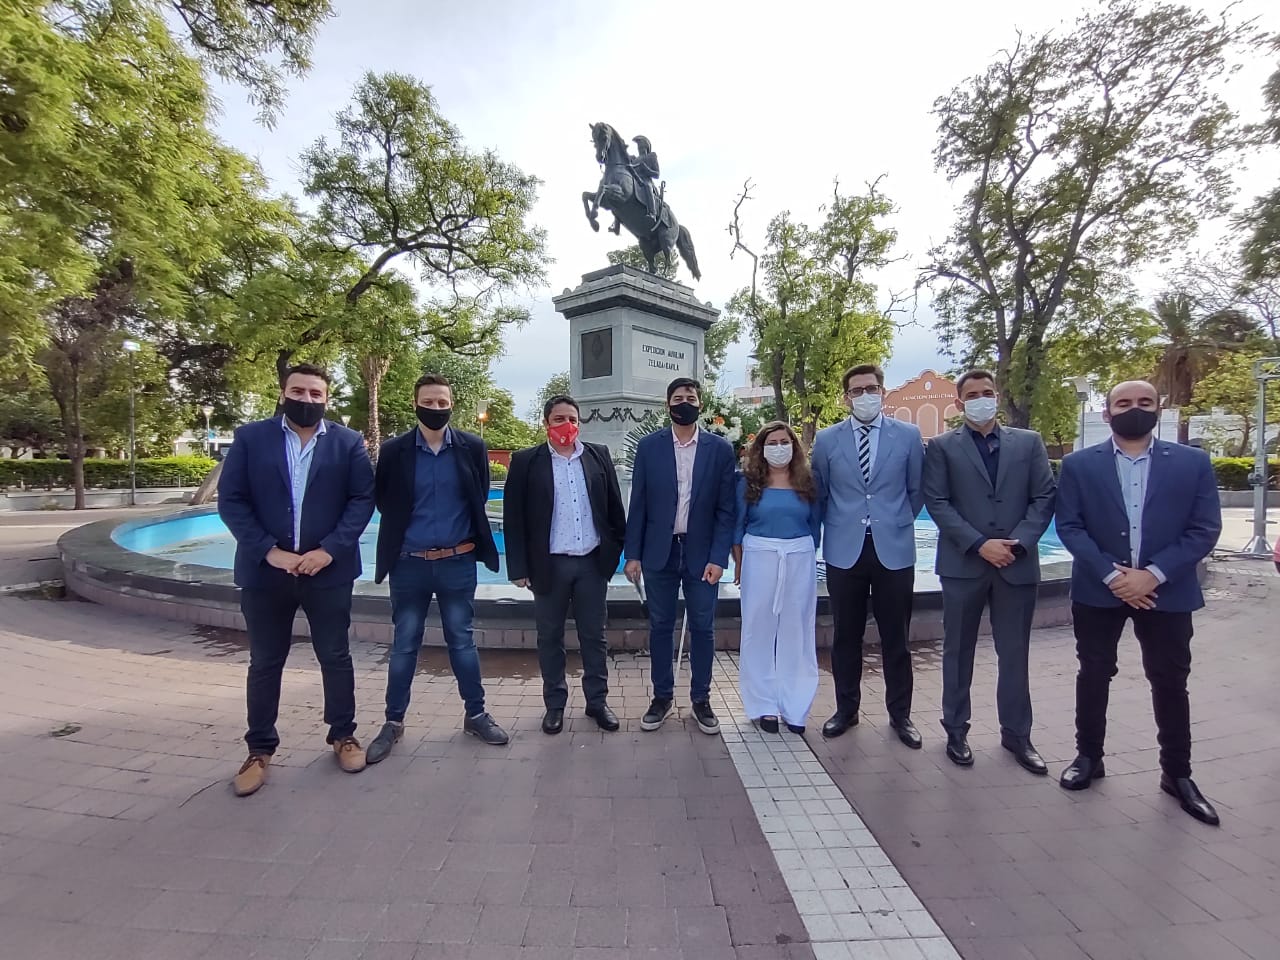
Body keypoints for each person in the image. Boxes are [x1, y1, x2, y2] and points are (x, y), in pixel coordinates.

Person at [1055, 380, 1222, 826]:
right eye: (1124, 403)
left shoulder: (1192, 463)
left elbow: (1204, 528)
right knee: (1094, 674)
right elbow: (1070, 526)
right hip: (1099, 591)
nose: (1135, 409)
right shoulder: (1078, 465)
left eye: (1144, 402)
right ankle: (1088, 757)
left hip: (1167, 590)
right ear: (1107, 412)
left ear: (1158, 409)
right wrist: (1113, 576)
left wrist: (1154, 573)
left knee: (1170, 680)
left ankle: (1177, 774)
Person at [218, 363, 375, 797]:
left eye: (315, 393)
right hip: (266, 572)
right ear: (283, 393)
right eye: (299, 391)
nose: (307, 399)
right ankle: (259, 749)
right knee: (265, 662)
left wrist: (329, 550)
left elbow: (362, 499)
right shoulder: (251, 438)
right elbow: (232, 500)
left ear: (326, 398)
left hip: (329, 571)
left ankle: (343, 734)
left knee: (335, 656)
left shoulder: (347, 442)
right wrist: (269, 551)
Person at [365, 373, 509, 763]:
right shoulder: (394, 451)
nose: (436, 408)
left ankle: (476, 715)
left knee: (462, 641)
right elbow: (384, 501)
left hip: (457, 563)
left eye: (442, 403)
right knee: (404, 644)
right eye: (428, 402)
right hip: (408, 564)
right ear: (416, 404)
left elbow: (479, 494)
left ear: (451, 405)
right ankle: (393, 721)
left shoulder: (472, 447)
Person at [922, 370, 1057, 773]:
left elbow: (1044, 496)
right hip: (964, 564)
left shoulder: (1029, 443)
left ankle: (1017, 735)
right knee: (957, 651)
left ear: (997, 396)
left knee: (1014, 653)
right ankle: (956, 730)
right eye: (972, 395)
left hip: (1017, 563)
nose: (981, 399)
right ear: (959, 403)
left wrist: (1018, 542)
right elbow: (937, 501)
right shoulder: (942, 447)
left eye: (987, 392)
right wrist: (980, 543)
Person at [811, 364, 925, 747]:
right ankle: (846, 710)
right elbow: (822, 492)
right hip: (845, 550)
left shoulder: (908, 435)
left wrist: (893, 521)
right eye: (857, 390)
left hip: (894, 548)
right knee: (845, 636)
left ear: (883, 391)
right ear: (846, 397)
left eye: (871, 388)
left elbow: (916, 490)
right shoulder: (827, 440)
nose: (865, 396)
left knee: (897, 638)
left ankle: (901, 715)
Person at [504, 395, 627, 734]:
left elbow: (614, 508)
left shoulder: (598, 456)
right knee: (550, 637)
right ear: (546, 423)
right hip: (549, 566)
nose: (567, 425)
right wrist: (518, 568)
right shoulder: (526, 461)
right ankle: (555, 705)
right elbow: (513, 519)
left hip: (591, 564)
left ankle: (597, 702)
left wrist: (613, 553)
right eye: (559, 419)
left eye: (572, 419)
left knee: (594, 636)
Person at [624, 377, 737, 735]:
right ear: (667, 405)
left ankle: (701, 699)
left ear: (700, 404)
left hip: (703, 555)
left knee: (703, 627)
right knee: (660, 626)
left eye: (690, 397)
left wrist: (719, 558)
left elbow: (726, 510)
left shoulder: (720, 449)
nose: (684, 403)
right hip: (660, 552)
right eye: (677, 398)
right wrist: (632, 554)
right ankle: (662, 698)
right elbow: (638, 503)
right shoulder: (649, 447)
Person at [731, 422, 822, 734]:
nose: (779, 447)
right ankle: (763, 704)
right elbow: (738, 527)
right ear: (761, 448)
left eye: (785, 441)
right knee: (758, 629)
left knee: (797, 630)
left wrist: (806, 555)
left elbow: (815, 524)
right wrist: (739, 564)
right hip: (760, 556)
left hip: (798, 556)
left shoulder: (808, 481)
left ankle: (795, 705)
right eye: (773, 442)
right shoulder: (747, 482)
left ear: (794, 446)